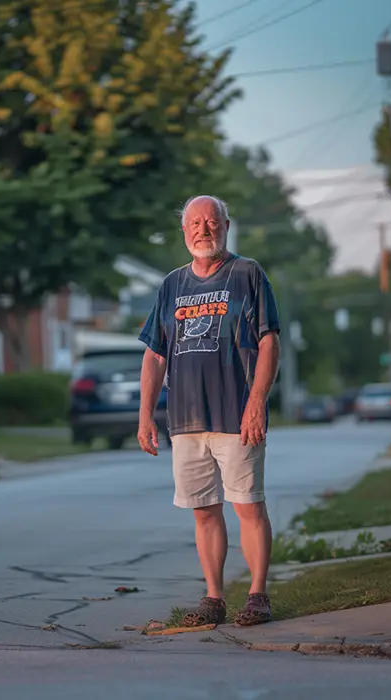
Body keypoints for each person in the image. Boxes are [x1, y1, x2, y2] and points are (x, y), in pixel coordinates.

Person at [137, 194, 281, 628]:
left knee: (248, 505)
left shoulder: (247, 274)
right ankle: (214, 597)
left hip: (236, 415)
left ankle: (257, 595)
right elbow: (155, 355)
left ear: (226, 225)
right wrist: (146, 414)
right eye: (195, 223)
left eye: (212, 221)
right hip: (185, 420)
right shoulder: (172, 285)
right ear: (184, 232)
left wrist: (257, 401)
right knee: (204, 509)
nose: (204, 229)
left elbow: (269, 341)